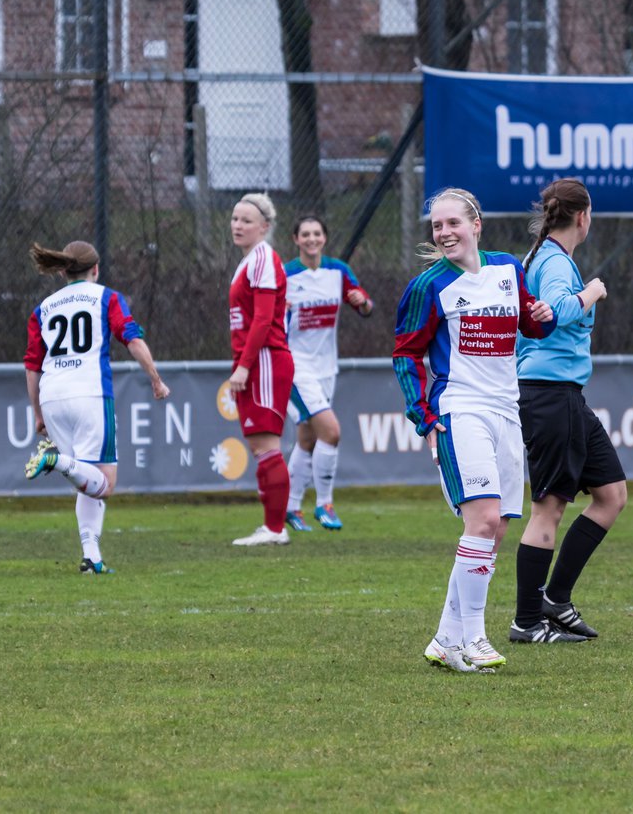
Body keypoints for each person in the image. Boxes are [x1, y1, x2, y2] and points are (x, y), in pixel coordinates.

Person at [393, 187, 555, 672]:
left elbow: (530, 323)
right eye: (437, 226)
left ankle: (446, 638)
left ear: (476, 224)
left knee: (494, 530)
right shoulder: (429, 286)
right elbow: (406, 354)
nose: (444, 233)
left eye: (452, 224)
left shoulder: (507, 267)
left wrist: (541, 317)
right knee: (482, 521)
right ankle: (476, 638)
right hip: (460, 411)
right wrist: (422, 417)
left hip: (507, 412)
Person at [510, 178, 627, 641]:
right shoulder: (555, 262)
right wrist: (594, 291)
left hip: (564, 394)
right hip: (548, 393)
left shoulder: (540, 257)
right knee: (548, 509)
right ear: (583, 216)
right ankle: (526, 621)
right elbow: (557, 311)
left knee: (611, 494)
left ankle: (555, 601)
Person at [23, 240, 171, 574]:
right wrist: (156, 379)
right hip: (89, 393)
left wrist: (38, 413)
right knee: (105, 482)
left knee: (86, 478)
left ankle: (92, 557)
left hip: (52, 394)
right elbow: (131, 337)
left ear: (62, 270)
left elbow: (32, 365)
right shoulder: (106, 297)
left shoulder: (44, 308)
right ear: (96, 269)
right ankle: (56, 460)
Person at [283, 215, 374, 532]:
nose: (311, 239)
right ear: (295, 239)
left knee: (307, 437)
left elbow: (364, 305)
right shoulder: (286, 275)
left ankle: (291, 508)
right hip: (295, 367)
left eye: (316, 233)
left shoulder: (338, 271)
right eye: (304, 233)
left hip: (326, 367)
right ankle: (324, 504)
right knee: (331, 432)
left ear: (324, 238)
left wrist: (361, 302)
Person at [227, 193, 297, 547]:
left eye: (247, 221)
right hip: (255, 361)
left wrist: (243, 367)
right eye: (236, 219)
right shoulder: (248, 262)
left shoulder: (264, 259)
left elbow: (264, 319)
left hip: (266, 360)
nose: (238, 225)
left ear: (265, 227)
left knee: (268, 444)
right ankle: (271, 526)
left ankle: (274, 529)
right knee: (260, 446)